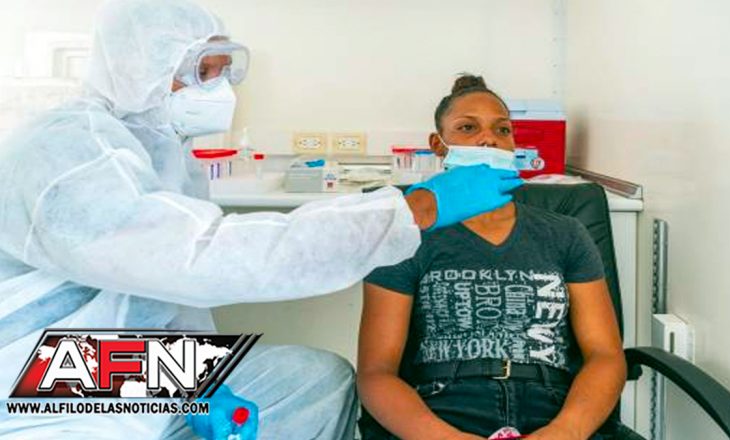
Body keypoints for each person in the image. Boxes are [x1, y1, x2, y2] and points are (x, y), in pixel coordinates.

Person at [0, 1, 522, 439]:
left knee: (318, 382)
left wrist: (201, 386)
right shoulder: (66, 150)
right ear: (142, 67)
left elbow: (168, 300)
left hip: (108, 362)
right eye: (203, 72)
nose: (220, 89)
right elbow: (198, 259)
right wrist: (413, 209)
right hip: (39, 373)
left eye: (224, 72)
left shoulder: (166, 156)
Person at [357, 75, 627, 440]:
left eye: (503, 130)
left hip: (553, 409)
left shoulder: (565, 233)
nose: (489, 140)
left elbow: (605, 356)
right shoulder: (407, 234)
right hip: (442, 409)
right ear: (438, 145)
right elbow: (376, 372)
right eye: (468, 128)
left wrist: (566, 431)